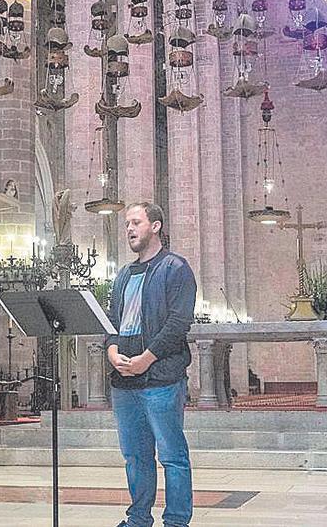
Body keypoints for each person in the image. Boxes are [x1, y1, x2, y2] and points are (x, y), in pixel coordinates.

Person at [104, 202, 197, 527]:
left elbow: (177, 323)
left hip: (161, 379)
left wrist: (147, 359)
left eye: (136, 222)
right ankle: (138, 519)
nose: (129, 229)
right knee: (135, 456)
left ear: (155, 226)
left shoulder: (175, 268)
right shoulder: (122, 275)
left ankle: (175, 522)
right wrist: (112, 352)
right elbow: (112, 324)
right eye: (127, 224)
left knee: (172, 456)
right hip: (125, 382)